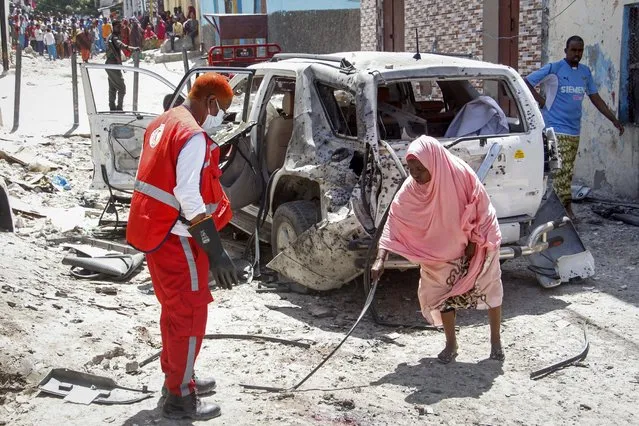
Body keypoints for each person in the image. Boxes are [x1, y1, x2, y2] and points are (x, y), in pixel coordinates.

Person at [126, 73, 239, 420]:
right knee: (188, 314)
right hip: (179, 239)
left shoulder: (164, 122)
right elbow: (188, 196)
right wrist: (216, 252)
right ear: (210, 102)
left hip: (157, 233)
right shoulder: (192, 136)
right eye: (223, 110)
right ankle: (180, 397)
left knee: (174, 313)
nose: (222, 118)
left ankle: (180, 377)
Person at [371, 135, 504, 364]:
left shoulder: (459, 175)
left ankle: (495, 342)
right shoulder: (412, 188)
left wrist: (473, 243)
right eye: (411, 169)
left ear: (434, 163)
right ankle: (451, 343)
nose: (415, 175)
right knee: (440, 295)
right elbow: (393, 221)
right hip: (440, 252)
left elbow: (480, 207)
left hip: (478, 242)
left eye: (420, 169)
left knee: (489, 287)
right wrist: (380, 259)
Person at [525, 35, 625, 221]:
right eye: (574, 50)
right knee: (559, 171)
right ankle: (566, 211)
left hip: (573, 131)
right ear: (566, 50)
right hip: (553, 130)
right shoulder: (554, 69)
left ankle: (555, 212)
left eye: (580, 50)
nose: (577, 54)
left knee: (567, 171)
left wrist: (613, 119)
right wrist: (541, 102)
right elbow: (526, 81)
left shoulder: (585, 73)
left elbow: (595, 98)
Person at [105, 19, 140, 111]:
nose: (119, 29)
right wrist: (132, 48)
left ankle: (112, 108)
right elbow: (120, 44)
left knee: (112, 88)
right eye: (117, 27)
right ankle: (119, 108)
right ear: (113, 27)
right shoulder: (113, 37)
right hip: (112, 65)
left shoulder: (110, 36)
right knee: (122, 88)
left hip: (110, 65)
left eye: (120, 27)